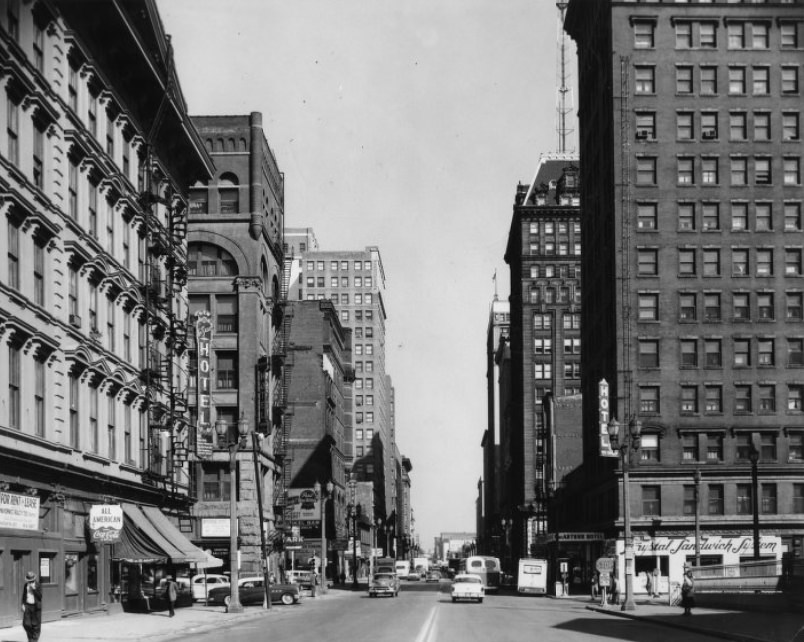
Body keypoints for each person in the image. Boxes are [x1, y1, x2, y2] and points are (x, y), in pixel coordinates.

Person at [21, 570, 42, 642]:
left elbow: (40, 597)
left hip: (36, 607)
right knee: (26, 624)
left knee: (36, 625)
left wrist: (34, 589)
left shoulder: (38, 585)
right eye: (29, 580)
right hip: (27, 606)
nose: (30, 582)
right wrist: (23, 604)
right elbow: (24, 595)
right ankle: (31, 638)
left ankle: (33, 640)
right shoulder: (25, 585)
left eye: (31, 580)